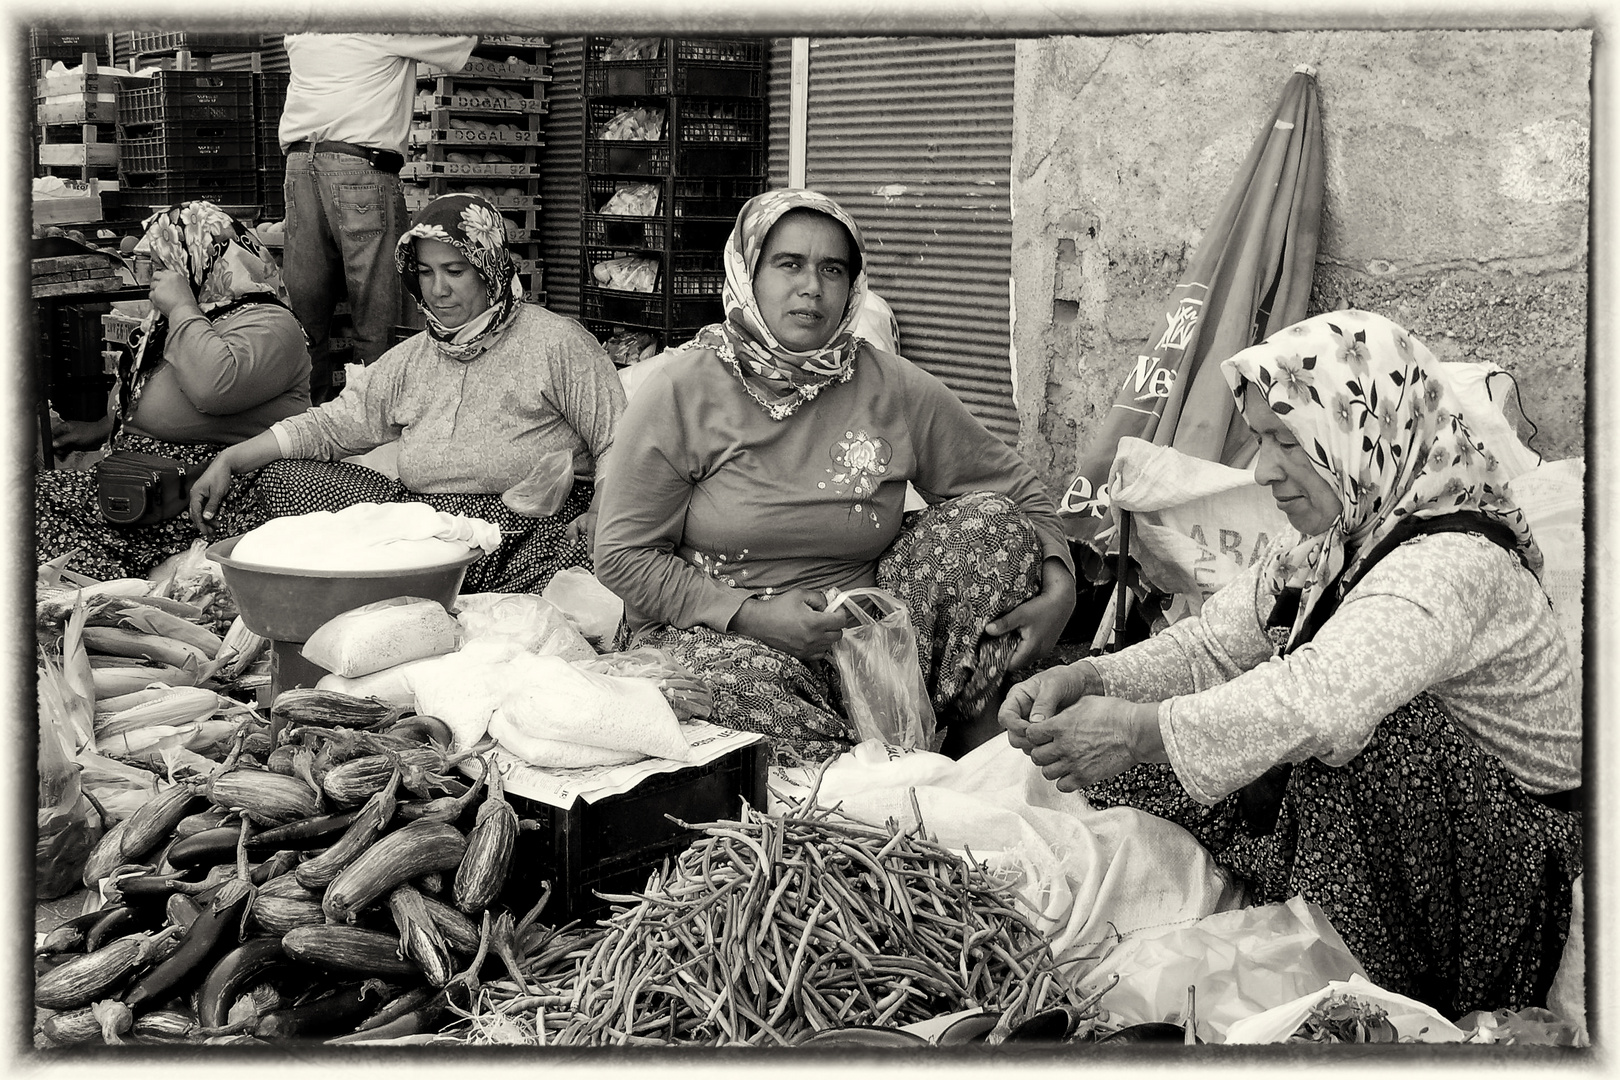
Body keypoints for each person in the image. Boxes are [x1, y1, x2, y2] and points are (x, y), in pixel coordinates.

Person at [998, 310, 1581, 1017]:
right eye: (1261, 440)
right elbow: (1211, 645)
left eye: (1286, 442)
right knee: (1203, 732)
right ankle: (1299, 896)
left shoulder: (1453, 563)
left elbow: (1318, 699)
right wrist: (1091, 678)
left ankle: (1383, 982)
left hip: (1498, 876)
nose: (1262, 471)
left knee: (1362, 728)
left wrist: (1134, 731)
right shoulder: (1340, 540)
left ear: (1359, 434)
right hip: (1411, 839)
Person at [594, 188, 1076, 764]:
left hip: (871, 640)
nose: (811, 286)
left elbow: (1012, 487)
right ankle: (892, 765)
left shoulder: (888, 384)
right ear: (748, 273)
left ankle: (957, 738)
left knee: (990, 526)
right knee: (715, 698)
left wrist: (1060, 584)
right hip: (723, 640)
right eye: (788, 264)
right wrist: (750, 615)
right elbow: (622, 554)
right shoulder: (681, 391)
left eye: (832, 269)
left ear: (853, 286)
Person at [189, 193, 625, 595]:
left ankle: (447, 595)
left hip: (525, 533)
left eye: (456, 271)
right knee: (283, 477)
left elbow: (618, 438)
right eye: (426, 272)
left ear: (490, 268)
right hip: (427, 530)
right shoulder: (415, 356)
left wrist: (603, 509)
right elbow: (333, 425)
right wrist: (231, 458)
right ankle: (415, 587)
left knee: (578, 560)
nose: (438, 290)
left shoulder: (556, 343)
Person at [37, 201, 310, 580]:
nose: (154, 277)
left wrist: (182, 307)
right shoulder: (175, 321)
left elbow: (214, 387)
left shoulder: (272, 325)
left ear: (200, 259)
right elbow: (145, 399)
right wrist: (98, 428)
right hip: (134, 486)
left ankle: (129, 590)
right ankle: (121, 588)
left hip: (201, 495)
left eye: (164, 264)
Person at [279, 32, 477, 401]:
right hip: (357, 173)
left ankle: (304, 432)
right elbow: (459, 45)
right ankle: (375, 439)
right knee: (379, 318)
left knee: (305, 323)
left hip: (299, 168)